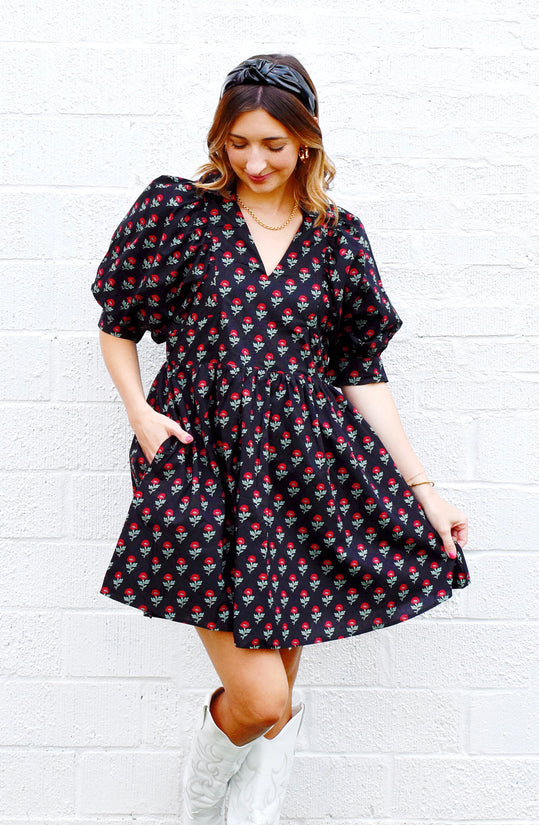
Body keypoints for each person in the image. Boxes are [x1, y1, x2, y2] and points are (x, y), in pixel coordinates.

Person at [92, 54, 470, 825]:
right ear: (219, 141)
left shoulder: (338, 239)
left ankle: (245, 818)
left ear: (306, 142)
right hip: (198, 461)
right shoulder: (179, 213)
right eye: (237, 143)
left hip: (302, 474)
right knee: (263, 694)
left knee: (277, 696)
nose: (253, 161)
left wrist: (424, 490)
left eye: (272, 143)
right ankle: (203, 800)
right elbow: (116, 325)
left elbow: (362, 372)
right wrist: (139, 413)